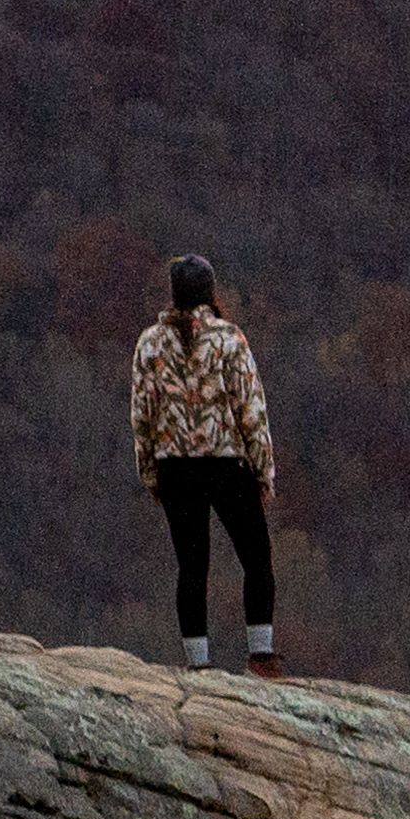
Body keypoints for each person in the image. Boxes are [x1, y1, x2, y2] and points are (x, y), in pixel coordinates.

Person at [128, 253, 281, 675]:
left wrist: (150, 473)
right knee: (256, 559)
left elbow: (142, 415)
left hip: (175, 465)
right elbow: (252, 412)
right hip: (227, 464)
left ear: (174, 293)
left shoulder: (150, 343)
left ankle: (198, 666)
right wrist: (264, 472)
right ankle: (261, 658)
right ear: (211, 291)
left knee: (192, 568)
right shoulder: (230, 340)